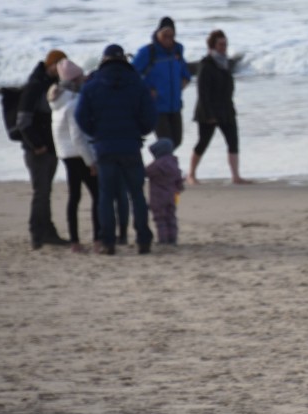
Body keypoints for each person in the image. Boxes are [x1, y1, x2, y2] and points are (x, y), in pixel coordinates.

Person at [75, 44, 158, 255]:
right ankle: (143, 239)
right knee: (136, 194)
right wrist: (140, 130)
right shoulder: (137, 83)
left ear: (104, 60)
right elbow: (150, 117)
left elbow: (80, 117)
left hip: (104, 146)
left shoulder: (92, 85)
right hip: (131, 144)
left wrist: (95, 132)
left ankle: (108, 242)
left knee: (106, 195)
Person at [16, 48, 69, 248]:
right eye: (60, 64)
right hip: (37, 150)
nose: (62, 69)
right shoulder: (35, 86)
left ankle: (47, 231)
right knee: (41, 191)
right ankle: (37, 233)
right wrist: (36, 145)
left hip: (50, 147)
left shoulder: (51, 84)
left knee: (45, 191)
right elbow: (23, 121)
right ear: (51, 65)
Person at [188, 29, 249, 185]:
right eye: (221, 44)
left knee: (233, 141)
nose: (224, 47)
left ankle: (236, 176)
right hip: (208, 111)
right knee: (203, 142)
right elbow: (202, 92)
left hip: (226, 109)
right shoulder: (206, 64)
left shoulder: (225, 63)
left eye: (225, 44)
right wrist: (209, 114)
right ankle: (191, 175)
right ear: (213, 45)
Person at [49, 59, 98, 248]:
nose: (85, 79)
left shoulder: (57, 100)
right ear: (74, 80)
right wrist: (91, 161)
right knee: (97, 195)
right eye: (81, 76)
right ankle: (97, 238)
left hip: (65, 154)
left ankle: (75, 240)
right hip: (78, 154)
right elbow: (78, 137)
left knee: (74, 197)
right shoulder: (74, 102)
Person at [131, 16, 192, 148]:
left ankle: (161, 163)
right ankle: (162, 165)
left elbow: (185, 73)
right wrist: (147, 91)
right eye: (165, 35)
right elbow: (131, 76)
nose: (168, 40)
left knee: (177, 141)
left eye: (171, 36)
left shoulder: (178, 51)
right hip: (156, 107)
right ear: (157, 33)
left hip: (175, 105)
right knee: (166, 142)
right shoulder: (147, 52)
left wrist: (184, 81)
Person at [146, 138, 185, 245]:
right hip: (172, 196)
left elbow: (145, 172)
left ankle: (163, 239)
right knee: (171, 217)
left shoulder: (156, 165)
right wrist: (179, 188)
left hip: (158, 197)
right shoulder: (174, 163)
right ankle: (173, 238)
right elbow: (179, 180)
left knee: (160, 219)